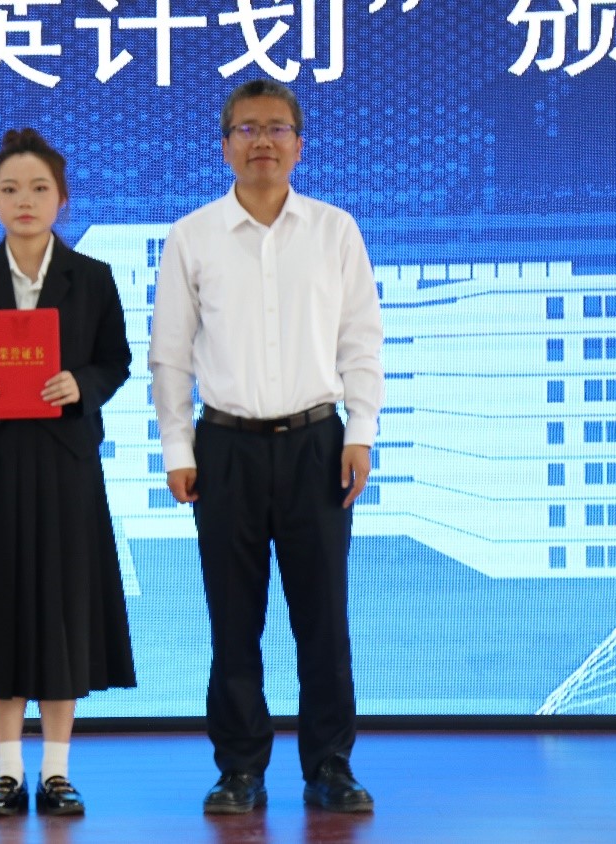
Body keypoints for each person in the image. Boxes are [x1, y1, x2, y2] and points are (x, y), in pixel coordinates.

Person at [149, 79, 384, 815]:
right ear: (225, 146)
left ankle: (330, 766)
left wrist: (361, 431)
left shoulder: (335, 230)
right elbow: (170, 355)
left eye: (277, 128)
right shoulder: (192, 236)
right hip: (225, 448)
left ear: (299, 145)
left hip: (319, 444)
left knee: (324, 617)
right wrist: (177, 448)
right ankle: (240, 769)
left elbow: (362, 339)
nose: (262, 142)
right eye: (246, 129)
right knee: (233, 619)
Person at [0, 128, 136, 818]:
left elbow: (117, 360)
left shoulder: (91, 277)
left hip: (65, 463)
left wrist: (82, 385)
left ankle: (58, 773)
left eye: (39, 188)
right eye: (10, 189)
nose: (25, 200)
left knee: (64, 612)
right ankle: (7, 773)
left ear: (62, 199)